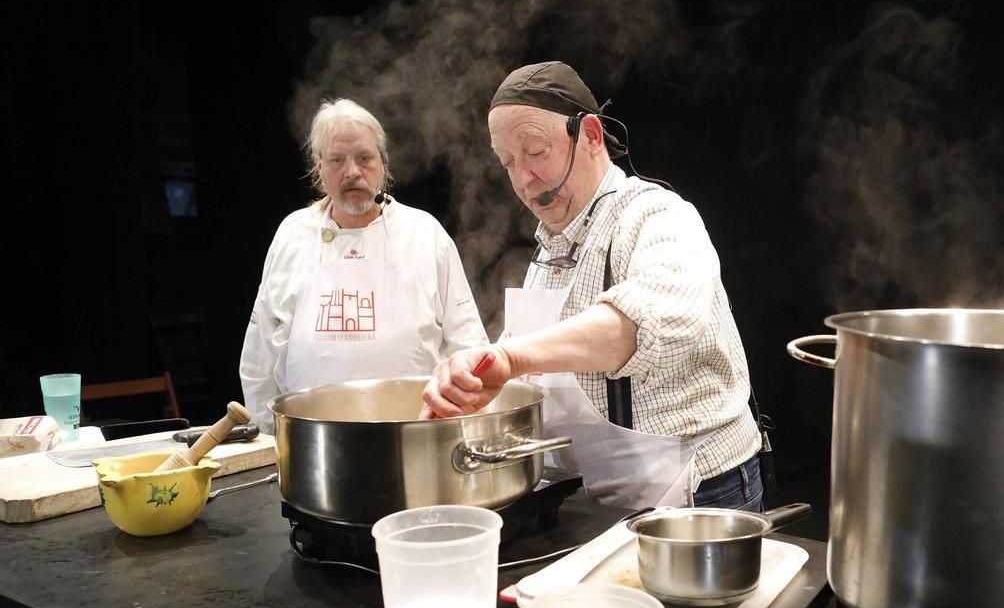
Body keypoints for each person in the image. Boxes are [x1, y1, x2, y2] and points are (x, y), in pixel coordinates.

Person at [419, 62, 763, 511]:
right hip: (603, 494)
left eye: (535, 151)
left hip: (702, 493)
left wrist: (509, 358)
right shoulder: (548, 251)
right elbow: (526, 366)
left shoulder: (656, 215)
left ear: (592, 136)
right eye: (508, 162)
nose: (522, 179)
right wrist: (472, 382)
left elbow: (653, 319)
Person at [240, 98, 488, 433]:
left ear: (383, 163)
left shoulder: (424, 234)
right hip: (313, 441)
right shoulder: (293, 235)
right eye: (337, 160)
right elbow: (259, 358)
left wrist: (466, 433)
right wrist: (269, 442)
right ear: (319, 168)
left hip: (416, 435)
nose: (352, 172)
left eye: (364, 158)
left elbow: (469, 346)